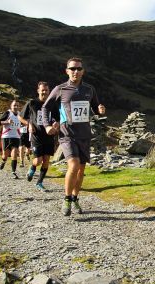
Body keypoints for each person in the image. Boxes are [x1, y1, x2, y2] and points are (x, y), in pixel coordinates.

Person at [42, 57, 106, 216]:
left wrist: (100, 109)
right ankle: (67, 199)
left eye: (78, 69)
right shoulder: (60, 89)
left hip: (84, 134)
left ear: (83, 71)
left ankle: (75, 198)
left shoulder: (89, 89)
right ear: (67, 71)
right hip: (67, 134)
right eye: (72, 69)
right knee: (74, 164)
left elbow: (96, 108)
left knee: (80, 170)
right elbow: (45, 108)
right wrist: (47, 126)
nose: (75, 71)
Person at [19, 81, 58, 191]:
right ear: (38, 91)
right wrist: (29, 124)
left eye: (46, 90)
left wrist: (56, 124)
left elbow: (57, 118)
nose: (44, 92)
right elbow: (20, 117)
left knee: (46, 161)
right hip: (37, 136)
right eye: (42, 90)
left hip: (49, 136)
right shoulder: (32, 103)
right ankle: (32, 169)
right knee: (38, 161)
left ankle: (39, 182)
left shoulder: (53, 104)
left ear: (49, 91)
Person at [0, 100, 21, 179]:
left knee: (14, 154)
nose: (16, 107)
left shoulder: (20, 114)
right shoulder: (8, 113)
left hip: (16, 137)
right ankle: (3, 161)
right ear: (11, 106)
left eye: (17, 105)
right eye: (14, 105)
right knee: (5, 155)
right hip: (6, 136)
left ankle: (13, 172)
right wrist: (7, 122)